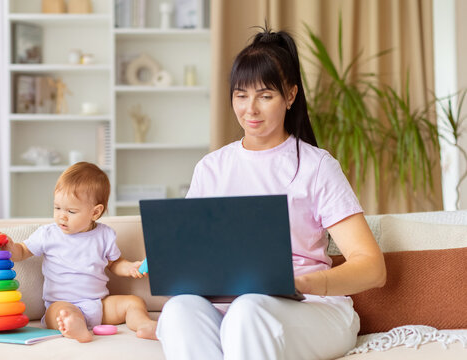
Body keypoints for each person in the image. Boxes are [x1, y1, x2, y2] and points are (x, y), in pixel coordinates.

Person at [155, 27, 386, 360]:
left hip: (311, 309)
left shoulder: (316, 166)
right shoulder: (211, 169)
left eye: (265, 95)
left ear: (290, 96)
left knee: (249, 309)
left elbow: (372, 268)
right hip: (230, 311)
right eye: (240, 95)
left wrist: (302, 283)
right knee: (178, 310)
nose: (251, 109)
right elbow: (194, 257)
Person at [1, 162, 157, 343]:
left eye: (71, 211)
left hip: (99, 304)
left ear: (95, 212)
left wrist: (130, 267)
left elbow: (114, 263)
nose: (61, 216)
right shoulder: (48, 234)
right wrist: (11, 249)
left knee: (134, 302)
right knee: (61, 314)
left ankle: (144, 324)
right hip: (62, 303)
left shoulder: (104, 235)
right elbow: (23, 250)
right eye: (57, 208)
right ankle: (75, 326)